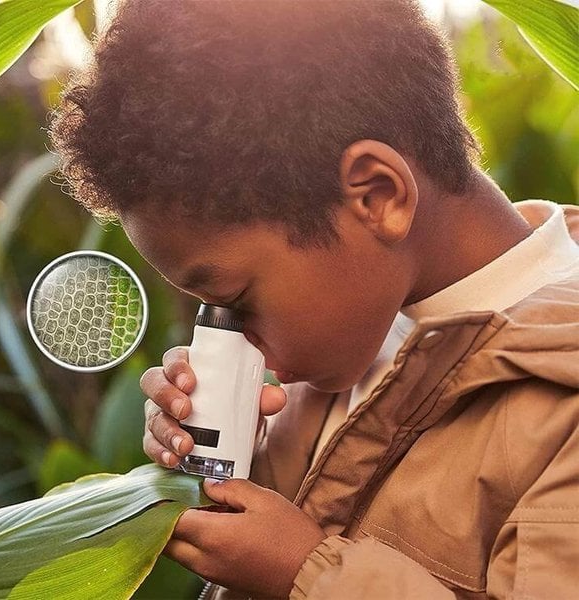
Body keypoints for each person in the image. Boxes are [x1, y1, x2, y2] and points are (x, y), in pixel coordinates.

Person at [49, 1, 579, 598]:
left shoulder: (563, 404)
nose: (234, 337)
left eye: (235, 299)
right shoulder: (358, 325)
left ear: (378, 195)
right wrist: (233, 461)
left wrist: (304, 573)